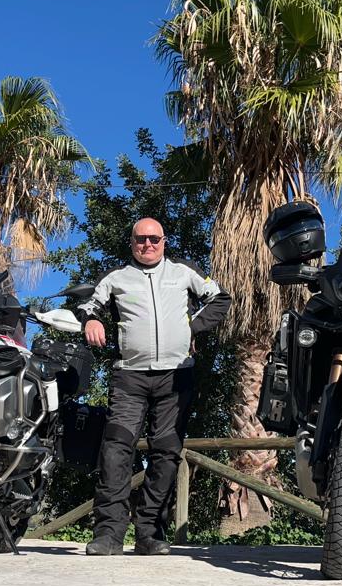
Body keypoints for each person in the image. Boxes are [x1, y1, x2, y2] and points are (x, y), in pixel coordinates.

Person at [74, 218, 230, 555]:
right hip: (129, 377)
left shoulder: (183, 272)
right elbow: (88, 304)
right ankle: (108, 534)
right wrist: (92, 319)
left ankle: (150, 533)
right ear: (131, 242)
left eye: (154, 239)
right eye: (141, 239)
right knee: (116, 450)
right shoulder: (116, 278)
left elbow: (220, 299)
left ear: (164, 241)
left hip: (176, 377)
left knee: (166, 452)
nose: (147, 244)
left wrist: (191, 328)